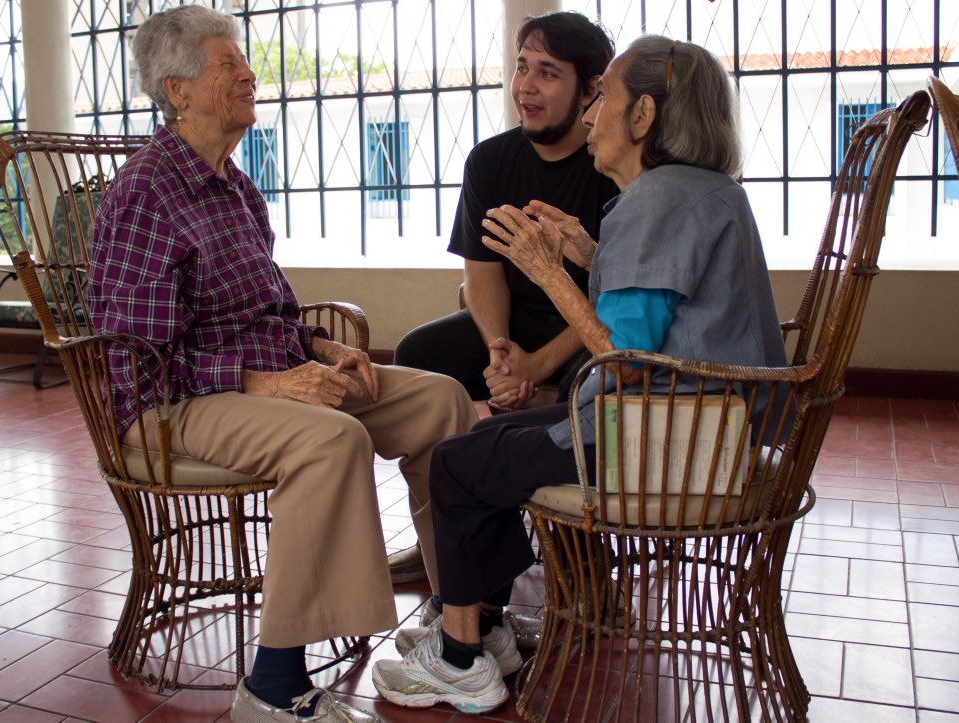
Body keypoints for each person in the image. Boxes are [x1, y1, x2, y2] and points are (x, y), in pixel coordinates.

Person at [371, 35, 789, 714]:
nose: (593, 115)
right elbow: (663, 308)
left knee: (456, 463)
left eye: (605, 97)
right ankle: (492, 631)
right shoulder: (705, 192)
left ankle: (458, 657)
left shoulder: (656, 199)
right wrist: (589, 250)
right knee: (482, 454)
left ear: (644, 116)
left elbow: (623, 360)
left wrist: (547, 272)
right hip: (706, 430)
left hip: (663, 445)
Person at [86, 7, 476, 722]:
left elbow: (271, 314)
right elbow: (136, 360)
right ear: (177, 89)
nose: (248, 73)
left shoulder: (235, 187)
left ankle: (458, 627)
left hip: (256, 380)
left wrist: (324, 350)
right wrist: (265, 382)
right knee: (331, 438)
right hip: (169, 408)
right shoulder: (146, 194)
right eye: (227, 63)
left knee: (441, 400)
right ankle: (273, 683)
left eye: (243, 60)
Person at [387, 9, 617, 587]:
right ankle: (451, 534)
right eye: (521, 68)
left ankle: (583, 563)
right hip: (512, 324)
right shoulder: (490, 160)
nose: (526, 87)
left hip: (590, 332)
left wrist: (537, 367)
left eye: (548, 72)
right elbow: (482, 270)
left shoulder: (611, 166)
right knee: (420, 354)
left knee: (584, 383)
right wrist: (499, 352)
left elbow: (613, 304)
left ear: (592, 89)